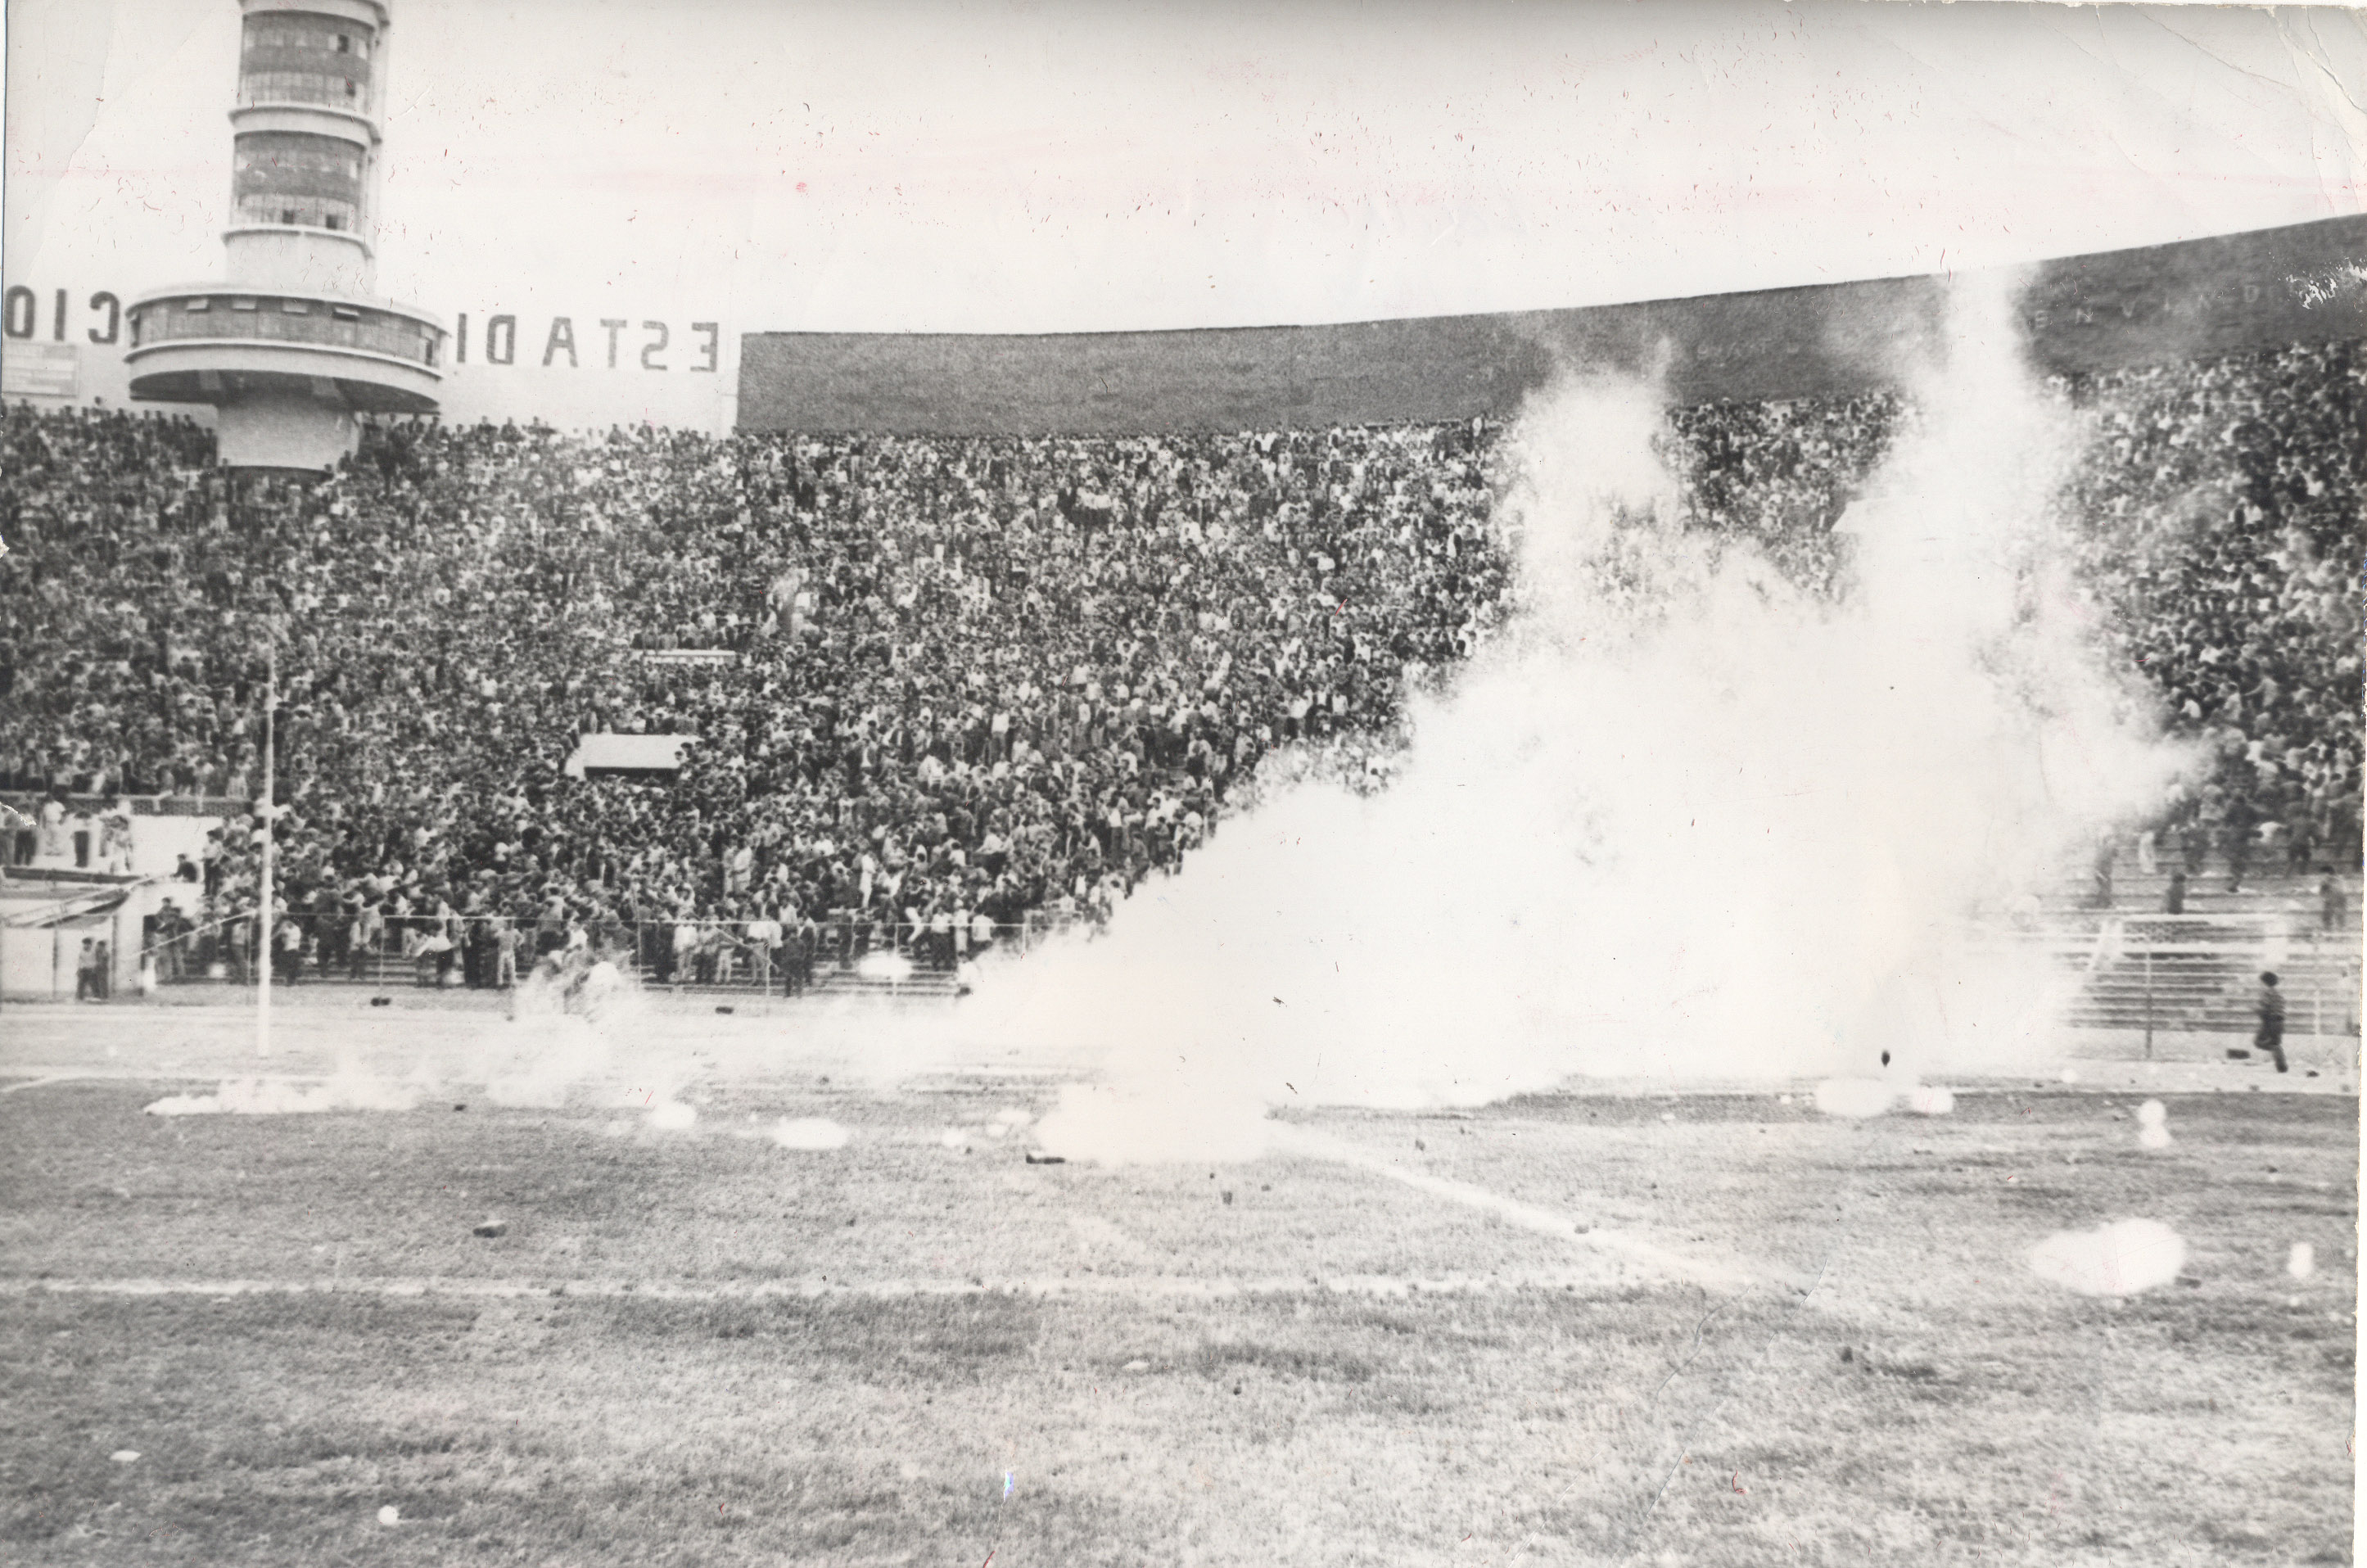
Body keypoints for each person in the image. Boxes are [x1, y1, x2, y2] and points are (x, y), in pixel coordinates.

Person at [2254, 971, 2288, 1073]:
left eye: (2261, 983)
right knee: (2275, 1043)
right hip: (2280, 1021)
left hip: (2270, 1021)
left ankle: (2278, 1055)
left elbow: (2265, 1008)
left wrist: (2256, 1010)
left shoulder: (2267, 993)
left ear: (2264, 983)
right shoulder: (2278, 994)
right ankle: (2281, 1065)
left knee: (2259, 1042)